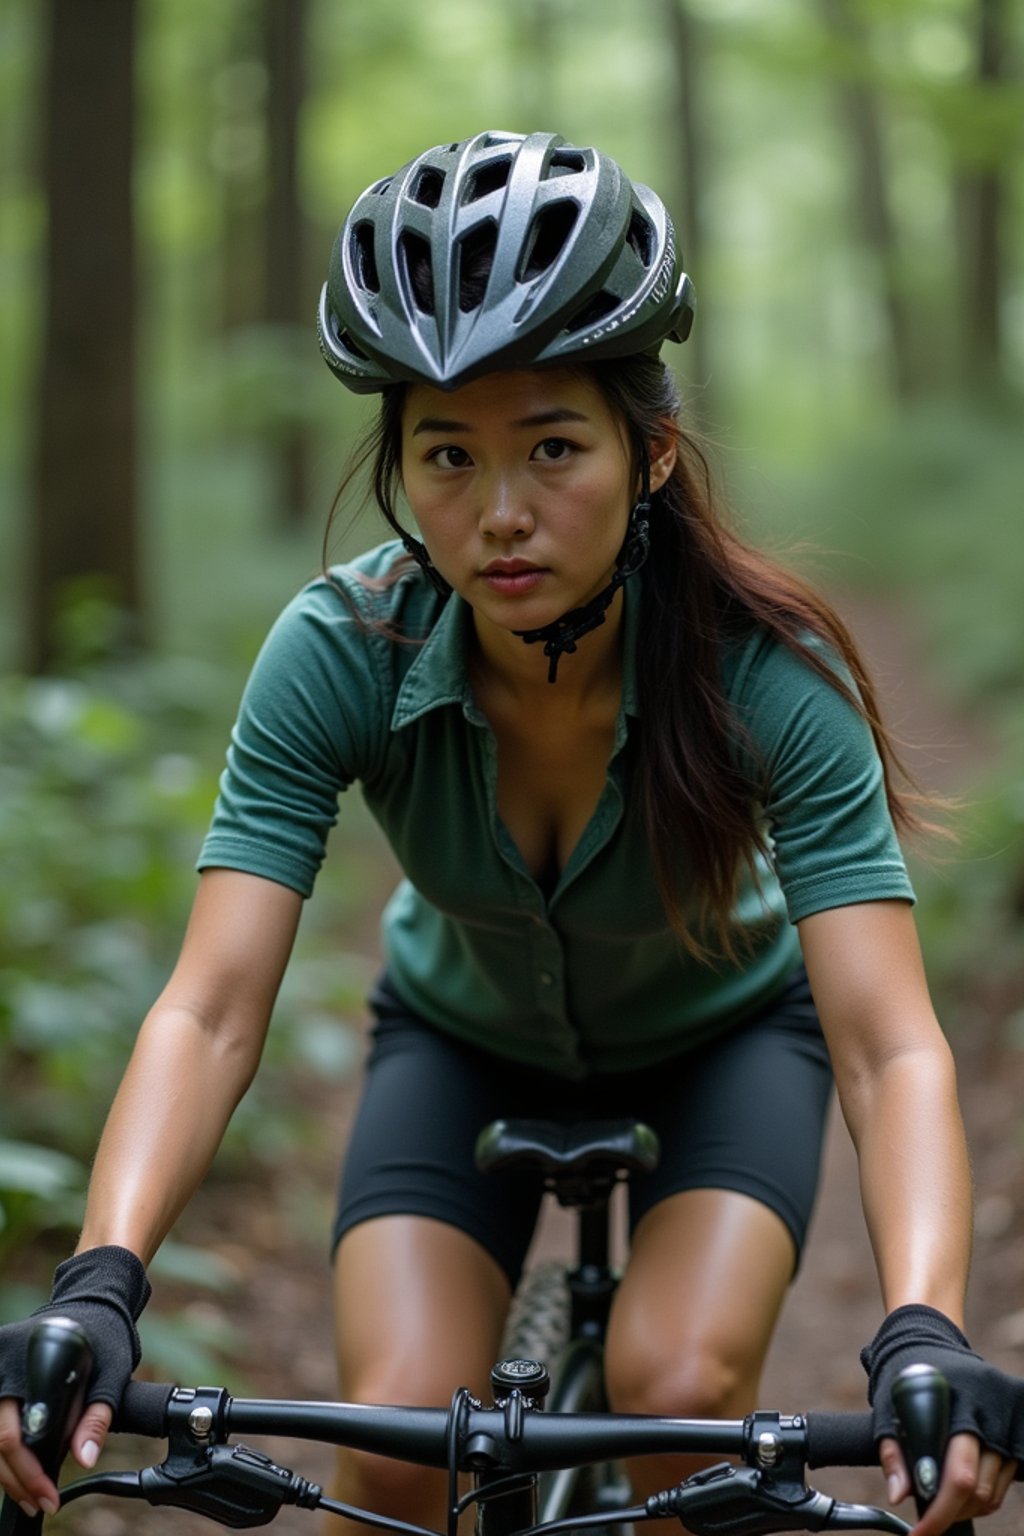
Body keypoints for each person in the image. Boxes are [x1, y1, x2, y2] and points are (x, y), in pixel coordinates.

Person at [1, 128, 1021, 1535]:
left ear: (650, 450)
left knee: (682, 1397)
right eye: (446, 456)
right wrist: (101, 1278)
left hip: (726, 1042)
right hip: (455, 1039)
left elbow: (889, 1043)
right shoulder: (340, 649)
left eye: (553, 447)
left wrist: (924, 1327)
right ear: (400, 468)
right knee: (403, 1443)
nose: (499, 516)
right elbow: (215, 1007)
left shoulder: (764, 676)